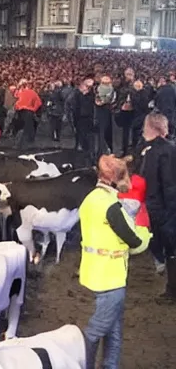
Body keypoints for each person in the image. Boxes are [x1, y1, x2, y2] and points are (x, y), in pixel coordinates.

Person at [79, 155, 152, 369]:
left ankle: (110, 366)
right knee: (96, 330)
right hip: (111, 277)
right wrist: (144, 229)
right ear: (115, 180)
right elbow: (134, 241)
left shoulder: (91, 198)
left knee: (113, 328)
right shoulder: (112, 206)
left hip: (93, 271)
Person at [140, 112, 176, 295]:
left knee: (168, 248)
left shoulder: (155, 152)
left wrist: (162, 213)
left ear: (151, 128)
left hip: (161, 208)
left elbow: (158, 183)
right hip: (168, 206)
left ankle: (172, 290)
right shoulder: (172, 147)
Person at [13, 79, 42, 149]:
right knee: (28, 128)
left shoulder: (21, 92)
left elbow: (16, 101)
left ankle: (17, 144)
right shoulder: (33, 93)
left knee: (20, 128)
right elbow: (39, 103)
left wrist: (17, 108)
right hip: (29, 112)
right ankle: (26, 145)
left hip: (20, 111)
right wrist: (33, 109)